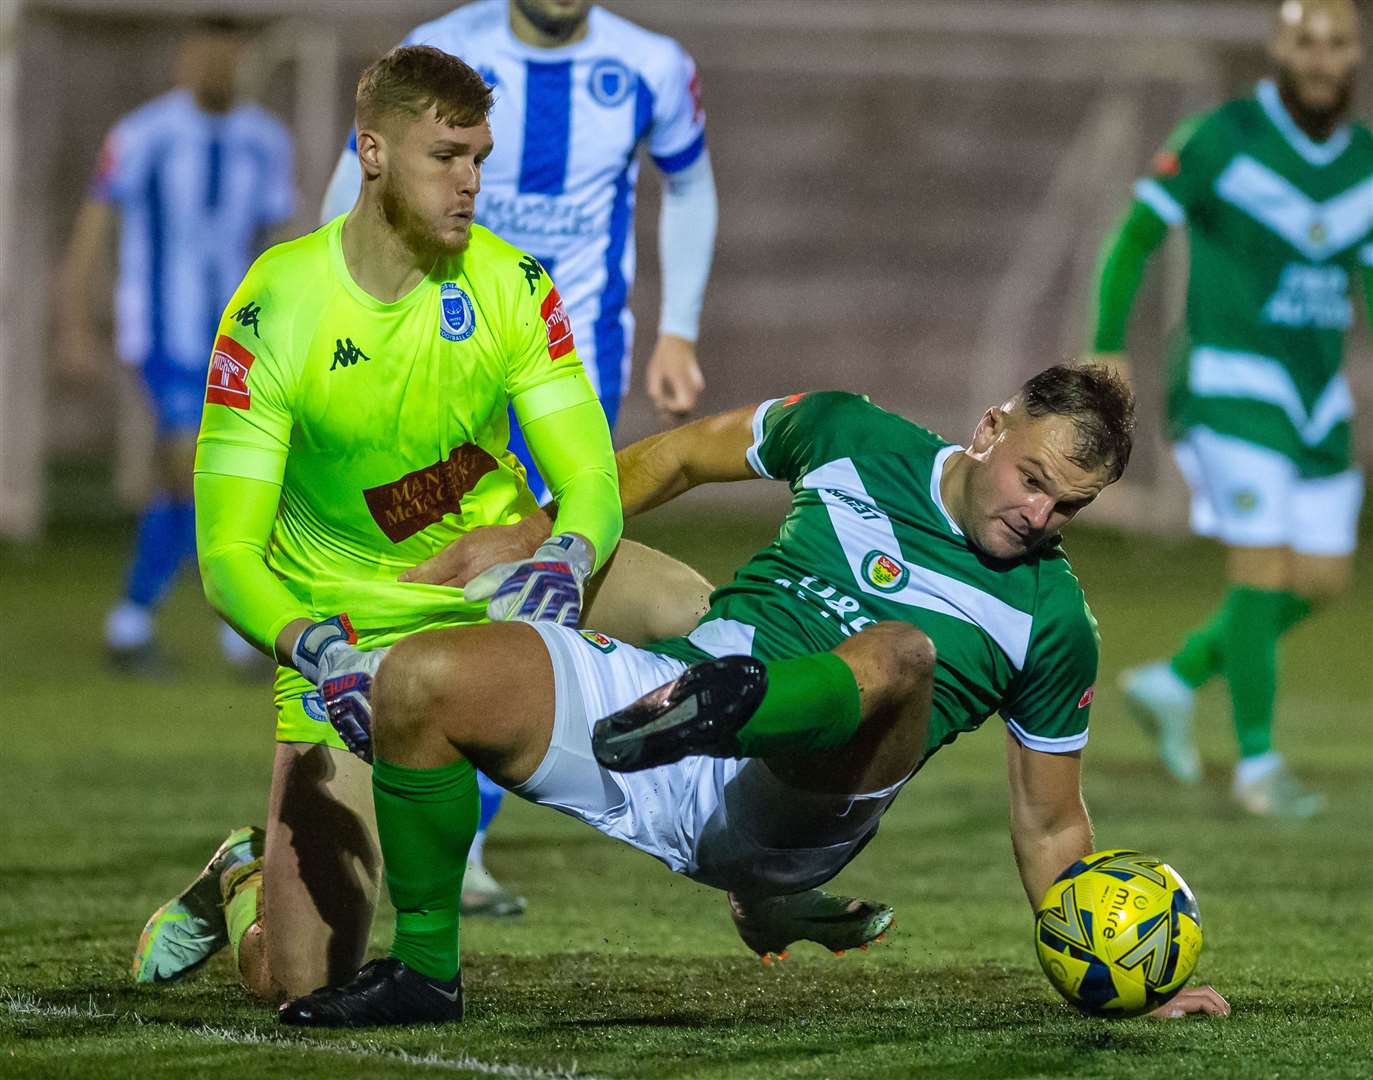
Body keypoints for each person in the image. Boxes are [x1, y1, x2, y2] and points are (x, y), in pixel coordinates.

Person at [275, 365, 1230, 1027]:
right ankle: (425, 974)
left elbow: (1049, 821)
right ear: (988, 430)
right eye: (1033, 481)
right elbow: (679, 456)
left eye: (1068, 507)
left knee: (898, 654)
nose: (1039, 516)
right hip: (664, 707)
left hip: (795, 812)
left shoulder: (1054, 618)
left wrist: (1121, 975)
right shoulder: (849, 433)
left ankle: (739, 705)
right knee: (420, 683)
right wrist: (539, 531)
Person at [130, 45, 712, 1001]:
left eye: (480, 157)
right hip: (346, 643)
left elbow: (592, 479)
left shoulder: (511, 284)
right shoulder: (275, 308)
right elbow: (228, 554)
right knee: (297, 985)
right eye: (446, 156)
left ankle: (766, 873)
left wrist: (565, 552)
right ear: (370, 152)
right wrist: (315, 649)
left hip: (500, 595)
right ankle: (242, 878)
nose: (471, 183)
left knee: (699, 613)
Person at [320, 0, 719, 914]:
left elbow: (691, 184)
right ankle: (323, 803)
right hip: (429, 352)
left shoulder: (650, 63)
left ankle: (453, 833)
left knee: (527, 584)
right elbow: (354, 177)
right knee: (416, 576)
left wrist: (679, 329)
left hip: (566, 355)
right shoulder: (444, 51)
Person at [1090, 0, 1372, 818]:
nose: (1320, 57)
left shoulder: (1362, 162)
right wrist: (1106, 340)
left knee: (1319, 580)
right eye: (1304, 40)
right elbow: (1134, 235)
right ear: (1278, 47)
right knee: (1261, 567)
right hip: (1227, 382)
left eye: (1336, 42)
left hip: (1317, 402)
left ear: (1355, 53)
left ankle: (1172, 680)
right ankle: (1257, 766)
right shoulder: (1221, 138)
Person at [57, 17, 294, 673]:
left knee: (200, 480)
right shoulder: (143, 134)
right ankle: (208, 629)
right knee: (192, 459)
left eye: (231, 54)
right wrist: (72, 320)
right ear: (185, 60)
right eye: (207, 53)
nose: (219, 66)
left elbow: (282, 243)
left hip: (240, 337)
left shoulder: (265, 140)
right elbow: (91, 228)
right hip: (164, 333)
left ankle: (135, 626)